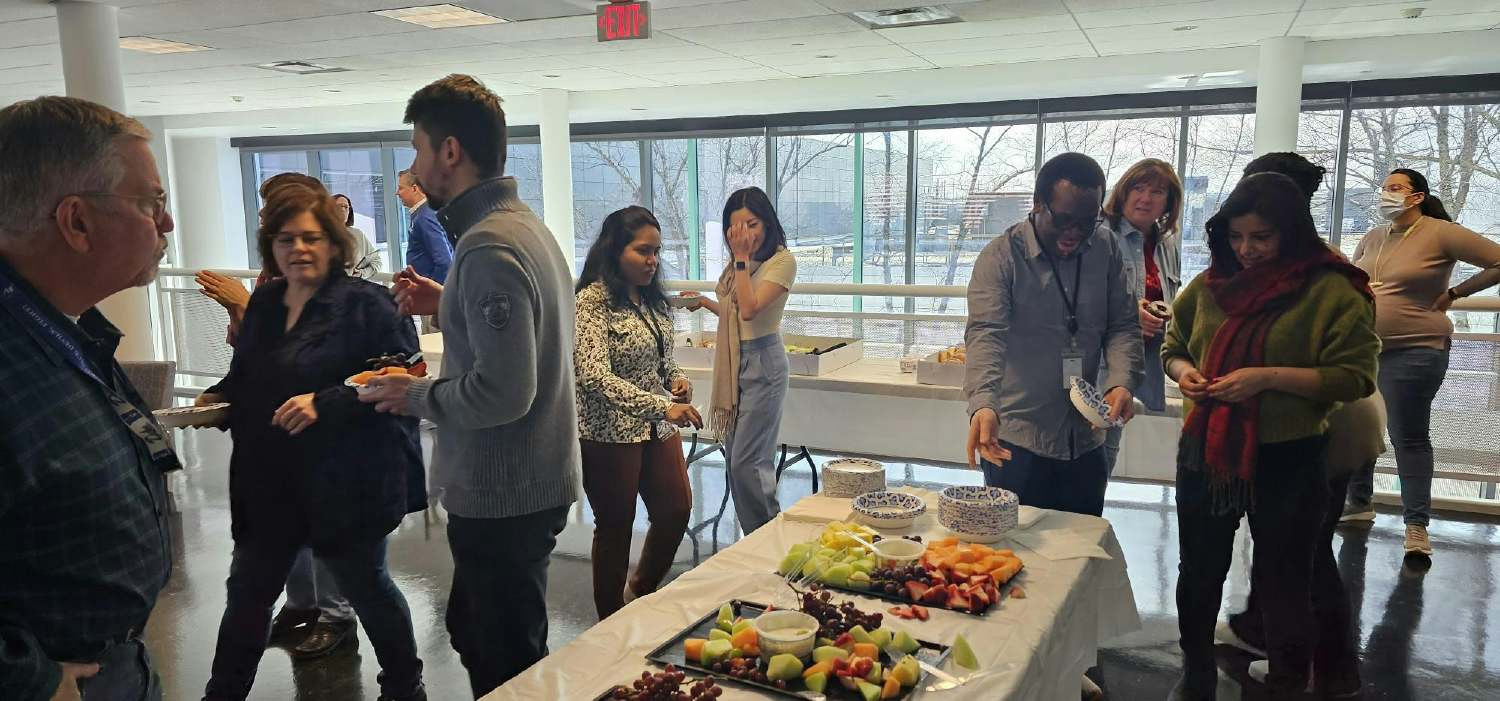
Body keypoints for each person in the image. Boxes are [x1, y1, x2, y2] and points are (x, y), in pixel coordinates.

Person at [359, 74, 582, 698]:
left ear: (449, 152)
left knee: (505, 661)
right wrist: (445, 299)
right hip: (528, 481)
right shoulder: (519, 228)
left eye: (418, 148)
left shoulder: (487, 246)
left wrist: (411, 394)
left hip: (504, 490)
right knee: (473, 626)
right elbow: (520, 323)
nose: (414, 164)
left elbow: (503, 393)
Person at [198, 183, 427, 701]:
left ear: (334, 242)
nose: (298, 249)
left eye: (310, 237)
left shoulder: (372, 305)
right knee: (248, 595)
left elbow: (402, 374)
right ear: (270, 247)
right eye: (285, 239)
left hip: (348, 482)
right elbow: (248, 374)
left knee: (368, 589)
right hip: (270, 481)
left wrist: (326, 402)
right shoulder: (265, 304)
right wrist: (216, 398)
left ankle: (405, 688)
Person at [1163, 173, 1378, 699]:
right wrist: (1183, 371)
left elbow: (1355, 376)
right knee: (1200, 569)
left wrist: (1267, 377)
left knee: (1286, 579)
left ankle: (1287, 681)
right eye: (1236, 237)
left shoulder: (1332, 289)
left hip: (1290, 453)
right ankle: (1195, 672)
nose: (1247, 250)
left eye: (1261, 237)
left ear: (1293, 232)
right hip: (1207, 449)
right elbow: (1174, 343)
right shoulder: (1212, 284)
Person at [0, 96, 176, 701]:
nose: (167, 223)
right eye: (151, 202)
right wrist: (28, 680)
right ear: (75, 222)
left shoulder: (59, 328)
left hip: (116, 658)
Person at [197, 173, 360, 661]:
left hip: (321, 427)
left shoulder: (335, 290)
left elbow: (304, 355)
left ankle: (336, 615)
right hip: (274, 430)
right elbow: (255, 355)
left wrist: (241, 306)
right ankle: (301, 604)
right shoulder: (273, 280)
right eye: (269, 215)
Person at [964, 152, 1142, 518]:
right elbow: (986, 335)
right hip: (1018, 442)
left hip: (1088, 439)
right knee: (1020, 559)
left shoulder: (1105, 248)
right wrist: (983, 404)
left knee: (1081, 556)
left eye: (1086, 222)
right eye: (1063, 220)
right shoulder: (1001, 258)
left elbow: (1124, 324)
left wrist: (1122, 381)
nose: (1073, 234)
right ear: (1037, 204)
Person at [1346, 168, 1500, 556]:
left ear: (1417, 196)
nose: (1386, 194)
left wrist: (1455, 293)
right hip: (1364, 349)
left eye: (1395, 188)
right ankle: (1359, 505)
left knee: (1407, 436)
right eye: (1384, 188)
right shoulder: (1373, 237)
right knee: (1360, 429)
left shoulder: (1439, 232)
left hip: (1417, 348)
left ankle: (1416, 527)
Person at [575, 206, 702, 619]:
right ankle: (609, 622)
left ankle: (640, 593)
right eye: (643, 251)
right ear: (615, 251)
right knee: (615, 526)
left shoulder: (652, 300)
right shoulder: (591, 302)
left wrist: (677, 379)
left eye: (657, 252)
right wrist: (664, 406)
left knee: (675, 509)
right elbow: (593, 375)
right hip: (608, 430)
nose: (653, 261)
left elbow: (664, 361)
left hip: (656, 425)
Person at [680, 186, 796, 535]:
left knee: (749, 463)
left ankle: (767, 538)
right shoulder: (740, 267)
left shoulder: (781, 262)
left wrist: (741, 258)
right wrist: (704, 302)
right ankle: (755, 538)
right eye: (736, 228)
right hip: (736, 362)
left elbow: (748, 310)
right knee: (735, 459)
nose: (744, 234)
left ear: (768, 223)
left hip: (764, 364)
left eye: (753, 224)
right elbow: (733, 313)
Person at [1099, 157, 1183, 473]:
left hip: (1136, 365)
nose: (1145, 198)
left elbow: (1168, 297)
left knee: (1108, 452)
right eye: (1138, 187)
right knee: (1094, 453)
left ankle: (1091, 519)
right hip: (1098, 365)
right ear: (1123, 192)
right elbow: (1081, 300)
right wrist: (1130, 312)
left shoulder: (1167, 244)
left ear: (1169, 202)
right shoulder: (1101, 234)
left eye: (1157, 192)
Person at [396, 169, 453, 283]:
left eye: (401, 188)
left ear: (415, 188)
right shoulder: (420, 214)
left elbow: (444, 261)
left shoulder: (425, 217)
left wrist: (431, 290)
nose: (397, 193)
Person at [333, 193, 382, 279]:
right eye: (340, 206)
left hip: (351, 286)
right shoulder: (321, 235)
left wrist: (361, 274)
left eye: (346, 207)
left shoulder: (357, 235)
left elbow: (376, 261)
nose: (343, 210)